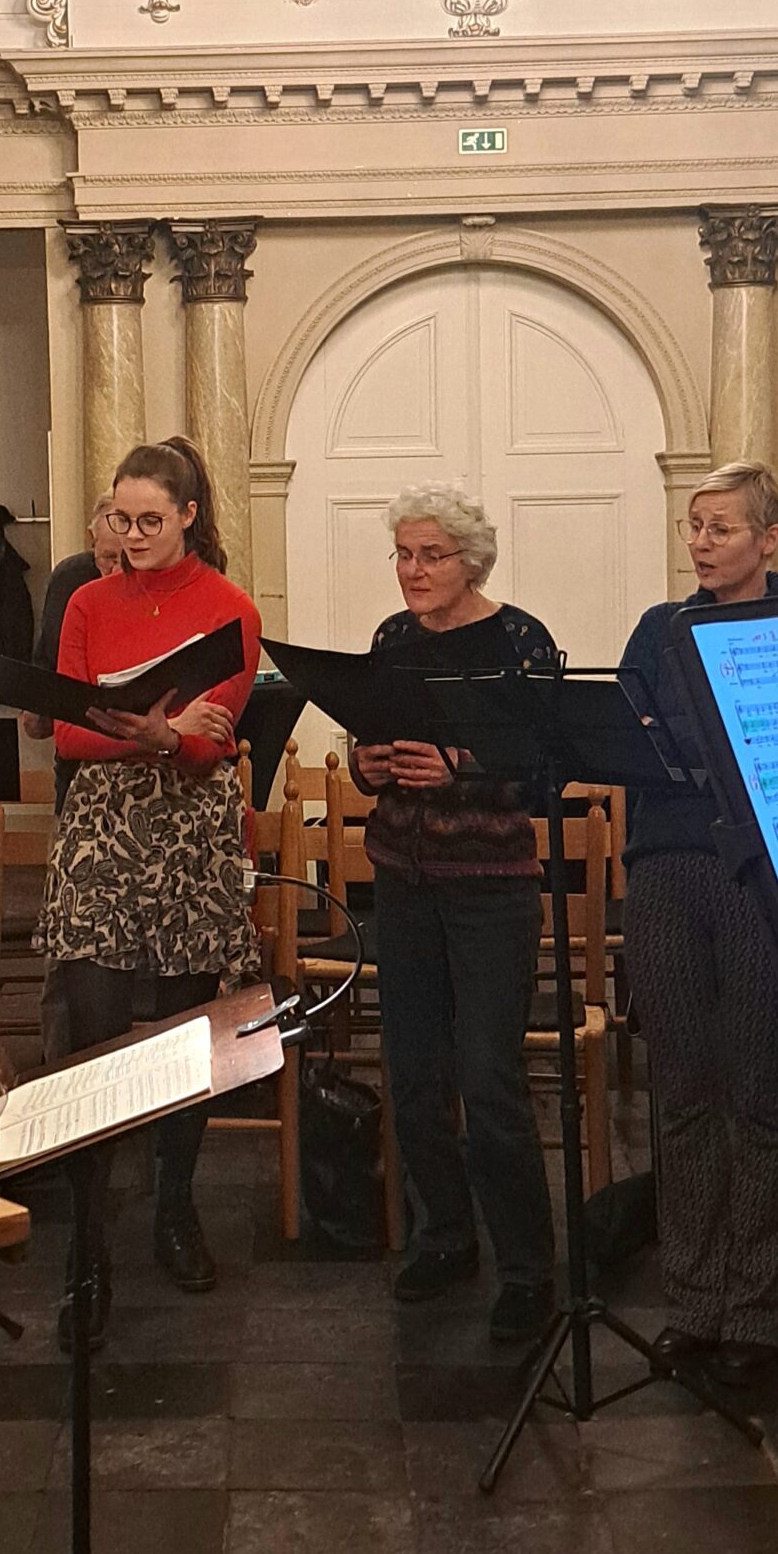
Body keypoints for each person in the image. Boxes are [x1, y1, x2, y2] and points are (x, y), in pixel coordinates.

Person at [42, 436, 260, 1336]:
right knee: (92, 1034)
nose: (129, 537)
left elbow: (214, 743)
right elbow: (66, 733)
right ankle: (87, 1247)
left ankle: (176, 1207)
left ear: (188, 516)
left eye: (148, 522)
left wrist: (163, 735)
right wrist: (160, 731)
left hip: (190, 833)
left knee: (184, 1036)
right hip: (102, 827)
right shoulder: (88, 601)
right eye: (119, 519)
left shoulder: (229, 609)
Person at [348, 484, 560, 1346]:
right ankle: (444, 1235)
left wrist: (461, 766)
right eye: (403, 554)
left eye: (429, 555)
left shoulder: (519, 639)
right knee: (413, 1074)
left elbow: (546, 769)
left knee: (487, 1077)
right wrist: (367, 766)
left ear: (470, 561)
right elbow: (373, 749)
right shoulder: (392, 640)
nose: (412, 570)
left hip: (490, 890)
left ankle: (528, 1267)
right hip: (402, 881)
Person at [616, 460, 778, 1390]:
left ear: (768, 539)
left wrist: (692, 745)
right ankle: (692, 1301)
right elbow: (634, 735)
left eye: (720, 529)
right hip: (664, 869)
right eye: (693, 526)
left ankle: (755, 1307)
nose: (700, 543)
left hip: (759, 876)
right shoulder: (659, 630)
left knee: (761, 1092)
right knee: (683, 1090)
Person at [27, 498, 126, 810]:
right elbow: (47, 658)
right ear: (91, 540)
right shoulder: (69, 579)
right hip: (74, 768)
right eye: (108, 558)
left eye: (127, 559)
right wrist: (34, 705)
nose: (116, 571)